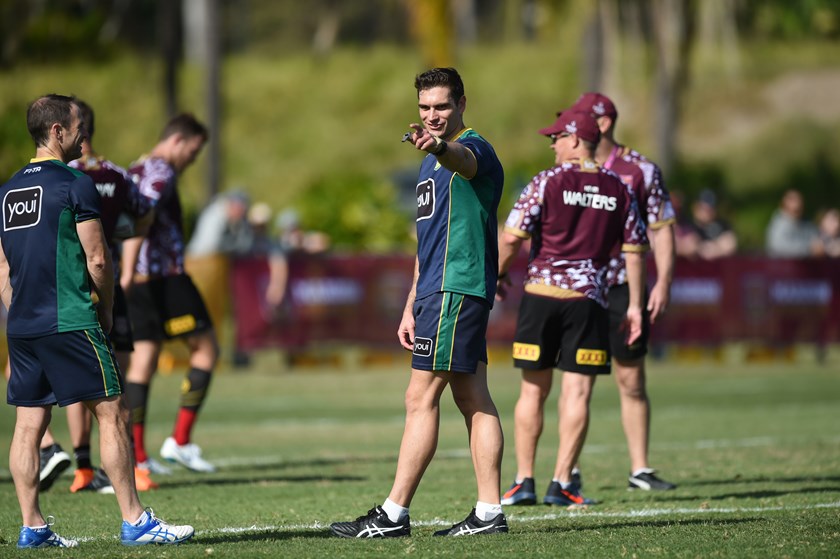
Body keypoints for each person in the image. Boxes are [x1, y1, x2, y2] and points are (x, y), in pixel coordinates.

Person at [0, 94, 193, 548]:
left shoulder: (7, 190)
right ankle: (136, 521)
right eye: (77, 127)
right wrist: (104, 311)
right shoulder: (74, 184)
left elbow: (3, 269)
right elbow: (100, 260)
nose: (84, 136)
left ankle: (33, 527)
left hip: (22, 326)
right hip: (70, 318)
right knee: (113, 413)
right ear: (56, 132)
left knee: (29, 427)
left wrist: (17, 310)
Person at [330, 67, 507, 538]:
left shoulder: (473, 147)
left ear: (462, 103)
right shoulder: (427, 163)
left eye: (442, 106)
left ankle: (392, 515)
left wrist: (441, 148)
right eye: (425, 107)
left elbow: (465, 160)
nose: (432, 116)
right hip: (437, 289)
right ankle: (489, 514)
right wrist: (411, 302)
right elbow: (424, 241)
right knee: (472, 397)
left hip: (456, 287)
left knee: (419, 397)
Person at [497, 108, 649, 508]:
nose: (552, 145)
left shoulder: (546, 181)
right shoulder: (619, 187)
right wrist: (635, 304)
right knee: (577, 391)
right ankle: (561, 483)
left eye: (557, 138)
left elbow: (511, 238)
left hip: (541, 296)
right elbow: (634, 252)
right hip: (590, 301)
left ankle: (523, 482)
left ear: (577, 140)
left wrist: (495, 276)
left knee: (533, 390)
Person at [121, 113, 219, 484]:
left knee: (142, 360)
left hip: (140, 283)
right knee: (206, 350)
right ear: (178, 141)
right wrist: (131, 266)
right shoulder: (161, 172)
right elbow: (140, 214)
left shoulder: (134, 168)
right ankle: (179, 440)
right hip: (165, 278)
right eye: (193, 151)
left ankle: (138, 457)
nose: (192, 159)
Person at [68, 99, 155, 492]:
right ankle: (117, 469)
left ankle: (83, 466)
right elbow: (143, 213)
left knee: (74, 379)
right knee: (113, 382)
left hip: (66, 286)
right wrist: (127, 241)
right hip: (107, 284)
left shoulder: (57, 177)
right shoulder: (115, 174)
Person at [682, 189, 738, 260]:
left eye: (710, 209)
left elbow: (730, 245)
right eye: (704, 208)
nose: (707, 212)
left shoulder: (722, 225)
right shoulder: (687, 225)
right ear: (695, 207)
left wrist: (710, 249)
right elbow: (686, 246)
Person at [766, 189, 818, 257]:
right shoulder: (778, 226)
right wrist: (808, 249)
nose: (798, 205)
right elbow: (779, 247)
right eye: (794, 201)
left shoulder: (806, 223)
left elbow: (816, 237)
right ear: (785, 204)